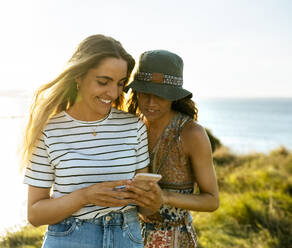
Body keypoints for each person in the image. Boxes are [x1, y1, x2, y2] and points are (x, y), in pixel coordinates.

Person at [20, 34, 154, 248]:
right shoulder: (49, 131)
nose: (113, 93)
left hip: (126, 237)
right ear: (78, 77)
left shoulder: (134, 126)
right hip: (70, 238)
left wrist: (151, 200)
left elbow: (146, 206)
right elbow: (35, 214)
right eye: (103, 82)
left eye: (120, 84)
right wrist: (85, 196)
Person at [125, 50, 220, 248]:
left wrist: (165, 197)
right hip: (128, 237)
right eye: (145, 93)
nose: (151, 103)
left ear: (174, 96)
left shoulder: (191, 133)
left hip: (175, 240)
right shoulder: (132, 127)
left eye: (160, 95)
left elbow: (212, 200)